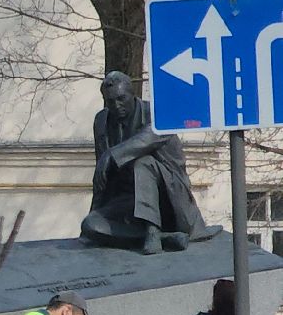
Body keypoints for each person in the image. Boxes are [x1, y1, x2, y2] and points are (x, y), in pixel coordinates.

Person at [81, 71, 219, 255]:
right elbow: (101, 176)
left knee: (143, 162)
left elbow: (145, 139)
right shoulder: (102, 121)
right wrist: (92, 222)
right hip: (129, 203)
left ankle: (153, 231)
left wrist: (111, 155)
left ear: (133, 94)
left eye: (121, 99)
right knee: (91, 224)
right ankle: (162, 237)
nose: (116, 105)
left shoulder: (158, 115)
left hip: (168, 201)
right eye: (110, 101)